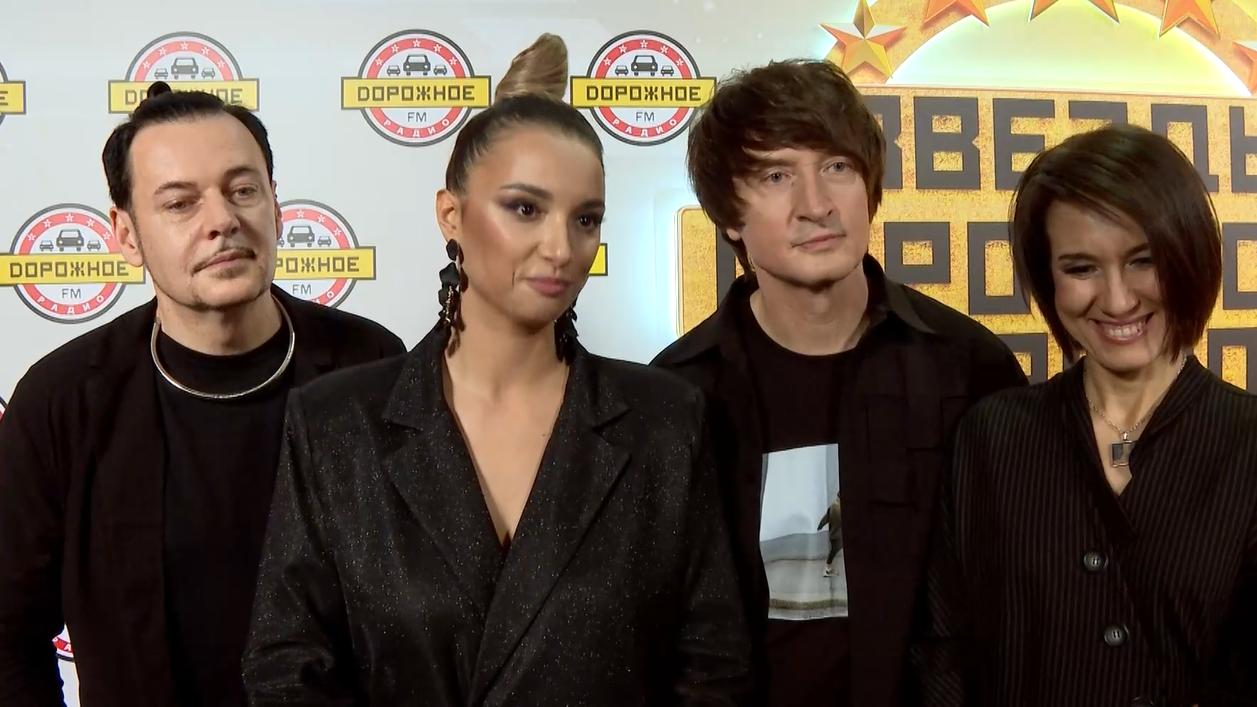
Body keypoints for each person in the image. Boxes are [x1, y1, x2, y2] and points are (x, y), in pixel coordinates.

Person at [242, 34, 750, 706]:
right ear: (450, 215)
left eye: (585, 219)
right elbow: (286, 672)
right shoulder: (337, 424)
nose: (560, 247)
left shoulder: (664, 420)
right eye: (525, 209)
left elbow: (714, 670)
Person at [0, 83, 405, 707]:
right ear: (126, 235)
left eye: (243, 190)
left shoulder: (372, 366)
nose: (223, 220)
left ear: (276, 207)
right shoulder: (63, 402)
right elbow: (8, 635)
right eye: (180, 203)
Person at [651, 60, 1027, 706]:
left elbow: (1017, 596)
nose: (816, 205)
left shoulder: (971, 367)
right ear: (729, 215)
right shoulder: (675, 395)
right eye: (776, 176)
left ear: (869, 186)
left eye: (837, 167)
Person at [916, 124, 1257, 706]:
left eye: (1144, 261)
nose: (1118, 300)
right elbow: (944, 650)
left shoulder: (1246, 443)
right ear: (1047, 279)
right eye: (1081, 268)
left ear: (1190, 257)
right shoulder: (993, 437)